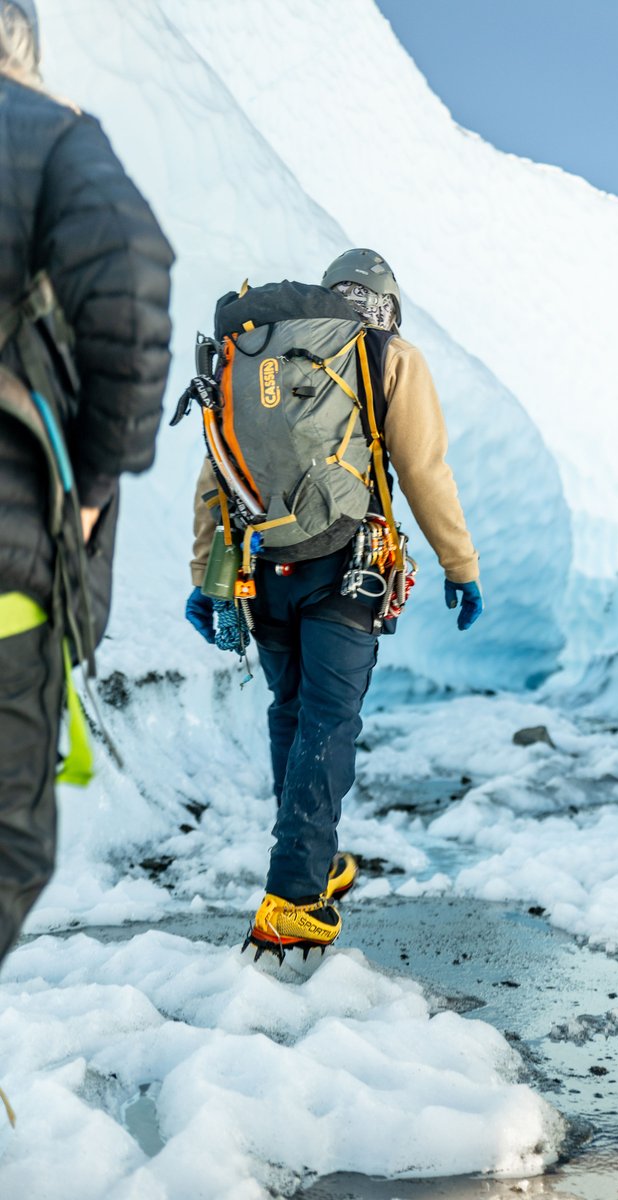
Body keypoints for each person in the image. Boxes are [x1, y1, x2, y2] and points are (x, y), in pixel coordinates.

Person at [185, 249, 481, 959]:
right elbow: (422, 467)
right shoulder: (385, 354)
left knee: (292, 711)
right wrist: (458, 563)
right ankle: (293, 899)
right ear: (385, 303)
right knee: (328, 716)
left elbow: (215, 472)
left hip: (265, 569)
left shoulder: (254, 353)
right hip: (349, 564)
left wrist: (206, 577)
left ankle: (313, 866)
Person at [0, 0, 174, 975]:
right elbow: (130, 276)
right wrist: (96, 481)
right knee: (9, 847)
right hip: (7, 575)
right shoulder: (45, 131)